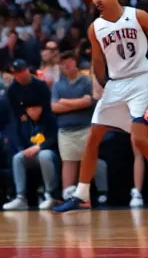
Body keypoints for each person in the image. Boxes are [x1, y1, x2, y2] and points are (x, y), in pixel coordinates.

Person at [52, 0, 148, 221]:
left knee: (141, 140)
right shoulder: (95, 28)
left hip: (142, 79)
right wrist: (97, 83)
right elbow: (98, 62)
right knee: (93, 138)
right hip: (116, 84)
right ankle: (81, 194)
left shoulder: (138, 15)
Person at [50, 51, 94, 201]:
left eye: (69, 61)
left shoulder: (86, 81)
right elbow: (54, 108)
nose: (66, 65)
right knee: (68, 162)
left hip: (85, 128)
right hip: (65, 131)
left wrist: (65, 102)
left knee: (85, 162)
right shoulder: (58, 85)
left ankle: (84, 195)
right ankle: (68, 194)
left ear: (75, 62)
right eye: (63, 63)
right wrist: (78, 103)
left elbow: (88, 101)